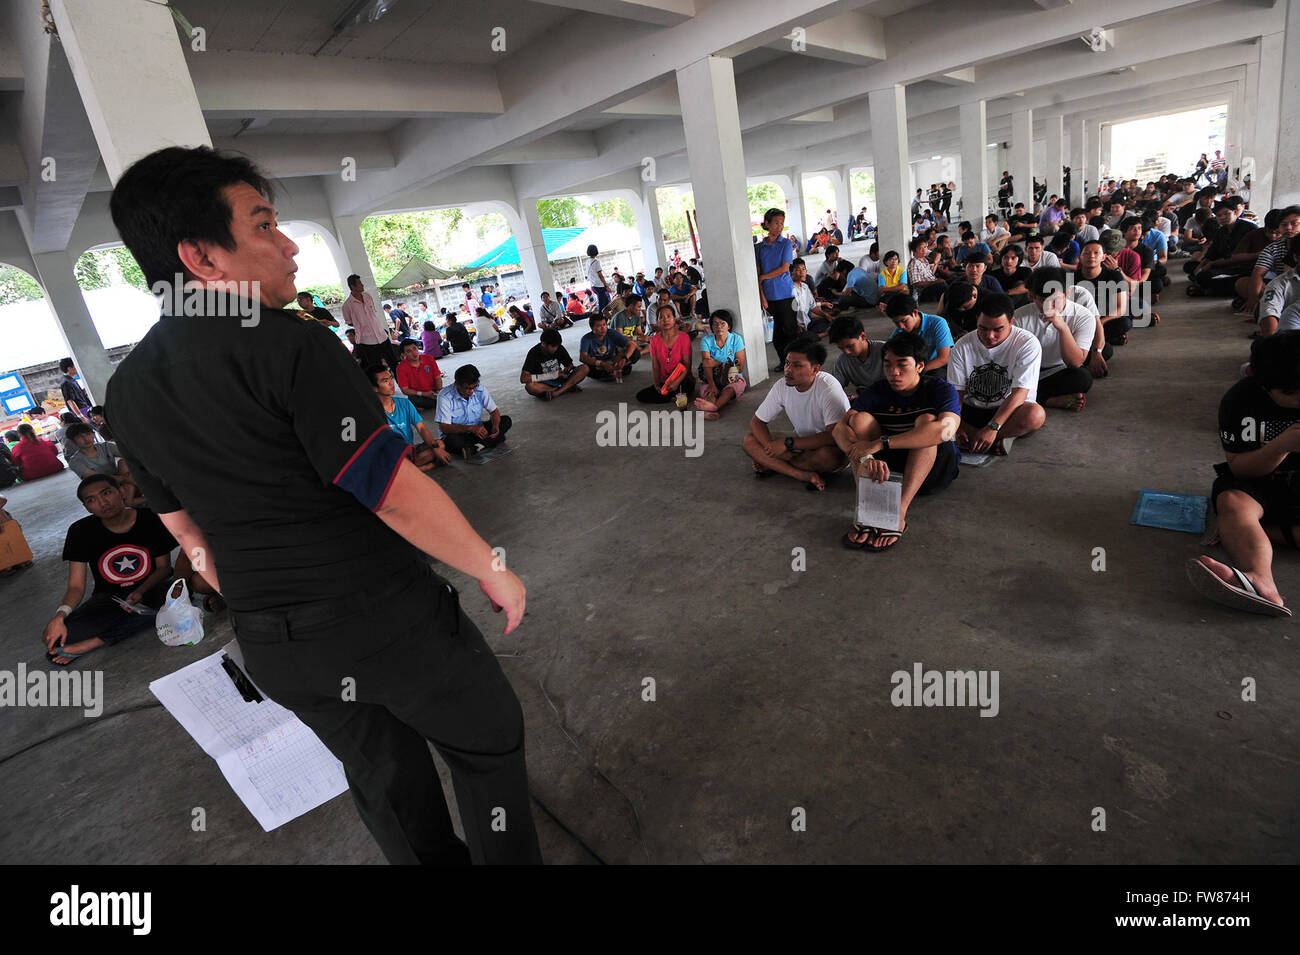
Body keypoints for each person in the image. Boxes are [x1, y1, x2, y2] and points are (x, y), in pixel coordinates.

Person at [105, 146, 539, 865]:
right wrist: (491, 566)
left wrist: (266, 605)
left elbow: (185, 529)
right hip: (387, 623)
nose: (290, 246)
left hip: (277, 645)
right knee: (486, 746)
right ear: (201, 258)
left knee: (384, 778)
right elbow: (391, 491)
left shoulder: (128, 388)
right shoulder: (290, 345)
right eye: (265, 225)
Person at [1188, 331, 1300, 617]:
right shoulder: (1240, 400)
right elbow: (1241, 467)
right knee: (1233, 503)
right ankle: (1261, 580)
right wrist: (1280, 447)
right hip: (1260, 480)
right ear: (1266, 386)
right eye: (1292, 393)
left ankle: (1246, 534)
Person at [833, 331, 961, 551]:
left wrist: (881, 443)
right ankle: (870, 507)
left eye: (902, 365)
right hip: (887, 475)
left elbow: (945, 431)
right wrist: (865, 456)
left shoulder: (940, 389)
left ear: (920, 366)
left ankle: (898, 513)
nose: (894, 372)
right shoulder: (879, 390)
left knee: (928, 423)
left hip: (933, 471)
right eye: (888, 365)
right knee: (859, 419)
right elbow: (838, 429)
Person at [40, 474, 180, 665]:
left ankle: (95, 642)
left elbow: (163, 569)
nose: (102, 502)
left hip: (152, 589)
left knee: (173, 602)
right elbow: (76, 587)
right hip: (109, 598)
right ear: (87, 507)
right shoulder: (80, 531)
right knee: (55, 637)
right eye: (92, 500)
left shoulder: (150, 519)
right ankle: (130, 622)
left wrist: (140, 591)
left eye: (106, 493)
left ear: (121, 492)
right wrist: (59, 616)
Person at [743, 340, 849, 490]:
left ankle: (774, 465)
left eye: (797, 365)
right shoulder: (782, 386)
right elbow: (757, 422)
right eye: (787, 363)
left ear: (815, 369)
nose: (788, 370)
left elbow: (832, 436)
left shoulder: (828, 388)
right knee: (749, 440)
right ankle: (801, 474)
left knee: (828, 457)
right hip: (800, 442)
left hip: (830, 446)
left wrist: (787, 445)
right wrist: (771, 448)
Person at [947, 294, 1046, 454]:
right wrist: (956, 425)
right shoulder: (962, 346)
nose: (990, 336)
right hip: (971, 409)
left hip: (1007, 410)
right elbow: (956, 394)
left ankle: (979, 439)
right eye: (983, 328)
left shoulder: (1027, 343)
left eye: (998, 329)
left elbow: (1020, 393)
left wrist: (993, 427)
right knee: (933, 406)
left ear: (1011, 323)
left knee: (1035, 415)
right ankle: (994, 440)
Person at [1013, 268, 1095, 412]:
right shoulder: (1019, 317)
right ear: (1032, 296)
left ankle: (1033, 398)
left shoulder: (1083, 316)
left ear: (1067, 293)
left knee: (1083, 378)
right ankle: (1048, 400)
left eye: (1054, 300)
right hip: (1028, 369)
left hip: (1058, 370)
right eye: (1042, 300)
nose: (1048, 307)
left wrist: (1062, 327)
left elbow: (1075, 362)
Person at [366, 364, 451, 471]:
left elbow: (421, 428)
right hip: (391, 456)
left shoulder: (405, 403)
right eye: (385, 381)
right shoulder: (372, 412)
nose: (391, 383)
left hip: (410, 451)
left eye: (391, 378)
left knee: (439, 444)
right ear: (374, 388)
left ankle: (406, 470)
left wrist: (435, 448)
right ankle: (422, 468)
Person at [436, 364, 514, 459]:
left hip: (478, 431)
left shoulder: (480, 389)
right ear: (457, 384)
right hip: (458, 434)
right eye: (468, 388)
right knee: (452, 441)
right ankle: (488, 442)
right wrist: (471, 428)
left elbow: (494, 411)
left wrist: (495, 425)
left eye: (474, 387)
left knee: (505, 421)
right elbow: (445, 428)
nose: (472, 391)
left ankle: (474, 447)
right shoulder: (445, 396)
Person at [756, 207, 797, 372]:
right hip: (770, 296)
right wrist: (762, 297)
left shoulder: (786, 243)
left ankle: (796, 361)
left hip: (786, 293)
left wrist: (764, 278)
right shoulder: (759, 248)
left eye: (782, 223)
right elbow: (757, 274)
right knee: (778, 332)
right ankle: (784, 362)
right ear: (767, 224)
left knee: (791, 329)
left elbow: (784, 268)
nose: (779, 226)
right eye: (776, 223)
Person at [62, 422, 143, 501]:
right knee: (130, 480)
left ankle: (129, 499)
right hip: (100, 487)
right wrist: (128, 479)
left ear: (93, 434)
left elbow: (130, 456)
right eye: (80, 437)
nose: (86, 439)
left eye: (88, 434)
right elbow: (98, 478)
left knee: (123, 462)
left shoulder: (106, 446)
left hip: (120, 481)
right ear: (73, 441)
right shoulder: (74, 461)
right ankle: (130, 499)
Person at [637, 304, 696, 404]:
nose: (665, 320)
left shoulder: (684, 338)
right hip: (665, 380)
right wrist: (657, 385)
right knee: (641, 396)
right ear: (657, 321)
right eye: (661, 317)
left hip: (682, 379)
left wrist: (676, 382)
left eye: (669, 316)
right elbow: (655, 366)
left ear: (674, 319)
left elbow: (687, 365)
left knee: (685, 386)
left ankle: (673, 394)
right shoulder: (654, 340)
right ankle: (673, 395)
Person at [694, 309, 747, 420]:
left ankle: (714, 408)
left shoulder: (736, 339)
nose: (719, 327)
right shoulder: (706, 340)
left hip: (733, 377)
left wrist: (715, 361)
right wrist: (712, 384)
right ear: (711, 327)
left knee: (729, 390)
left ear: (729, 326)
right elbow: (706, 364)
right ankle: (711, 410)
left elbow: (740, 367)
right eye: (715, 324)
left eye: (723, 323)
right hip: (712, 377)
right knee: (710, 392)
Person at [885, 294, 953, 376]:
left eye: (904, 321)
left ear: (915, 313)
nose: (901, 326)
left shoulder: (937, 323)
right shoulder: (899, 332)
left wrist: (916, 372)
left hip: (938, 366)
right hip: (915, 368)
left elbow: (944, 358)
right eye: (896, 323)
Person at [827, 316, 887, 398]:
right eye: (841, 348)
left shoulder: (886, 351)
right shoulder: (843, 361)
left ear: (862, 336)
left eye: (850, 346)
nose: (846, 352)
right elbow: (834, 388)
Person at [579, 315, 639, 382]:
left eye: (604, 325)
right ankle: (614, 371)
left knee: (635, 353)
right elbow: (582, 357)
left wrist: (625, 358)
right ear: (592, 327)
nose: (603, 328)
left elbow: (632, 345)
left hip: (613, 360)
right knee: (587, 368)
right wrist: (602, 363)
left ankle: (616, 369)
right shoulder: (586, 338)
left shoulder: (611, 332)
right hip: (598, 364)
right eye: (599, 326)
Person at [394, 338, 442, 410]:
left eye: (415, 348)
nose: (414, 353)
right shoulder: (400, 368)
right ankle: (438, 402)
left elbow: (437, 377)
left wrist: (439, 391)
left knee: (451, 391)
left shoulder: (429, 358)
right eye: (409, 351)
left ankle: (430, 404)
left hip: (434, 391)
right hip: (418, 394)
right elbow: (405, 390)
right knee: (412, 400)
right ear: (403, 354)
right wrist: (423, 394)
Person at [586, 244, 611, 312]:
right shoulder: (596, 262)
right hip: (599, 285)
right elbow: (600, 275)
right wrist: (607, 285)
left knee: (603, 301)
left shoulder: (587, 261)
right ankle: (601, 318)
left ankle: (604, 317)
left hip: (593, 285)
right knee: (603, 304)